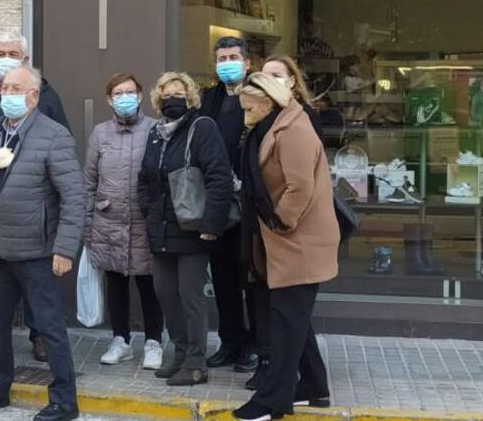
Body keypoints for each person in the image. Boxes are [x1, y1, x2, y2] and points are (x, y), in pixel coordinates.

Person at [0, 65, 85, 421]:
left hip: (37, 252)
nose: (8, 94)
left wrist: (64, 248)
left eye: (16, 88)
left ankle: (65, 400)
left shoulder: (54, 135)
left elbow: (74, 197)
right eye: (4, 88)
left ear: (33, 96)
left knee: (49, 328)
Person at [231, 73, 338, 421]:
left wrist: (281, 223)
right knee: (295, 321)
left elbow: (299, 187)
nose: (243, 113)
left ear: (266, 104)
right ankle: (314, 387)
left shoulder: (293, 130)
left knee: (285, 325)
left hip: (298, 241)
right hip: (287, 241)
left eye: (248, 107)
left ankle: (270, 403)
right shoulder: (275, 124)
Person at [0, 33, 69, 362]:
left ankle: (39, 337)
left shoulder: (46, 95)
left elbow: (63, 155)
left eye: (13, 53)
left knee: (37, 288)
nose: (6, 57)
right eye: (1, 52)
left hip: (31, 220)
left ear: (25, 57)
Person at [138, 72, 233, 387]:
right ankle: (179, 354)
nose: (172, 100)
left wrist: (211, 223)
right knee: (166, 294)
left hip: (192, 228)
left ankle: (196, 362)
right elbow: (145, 179)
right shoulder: (155, 132)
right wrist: (149, 211)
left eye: (179, 94)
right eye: (166, 95)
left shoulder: (202, 127)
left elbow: (219, 176)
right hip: (161, 228)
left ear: (191, 97)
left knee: (190, 296)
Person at [83, 74, 164, 370]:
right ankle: (121, 340)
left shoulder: (156, 129)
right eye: (118, 93)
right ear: (109, 99)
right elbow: (89, 181)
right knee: (116, 284)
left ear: (141, 96)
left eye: (130, 92)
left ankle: (153, 342)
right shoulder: (100, 133)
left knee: (149, 284)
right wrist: (87, 225)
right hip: (109, 220)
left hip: (144, 221)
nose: (125, 97)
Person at [199, 36, 258, 373]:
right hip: (217, 203)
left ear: (247, 63)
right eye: (221, 58)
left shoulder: (258, 97)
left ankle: (253, 344)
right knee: (222, 279)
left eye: (233, 57)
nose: (227, 63)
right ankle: (230, 342)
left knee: (250, 279)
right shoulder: (210, 98)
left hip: (249, 203)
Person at [261, 56, 322, 137]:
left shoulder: (305, 114)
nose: (269, 80)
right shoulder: (256, 110)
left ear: (292, 81)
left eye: (276, 76)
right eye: (264, 76)